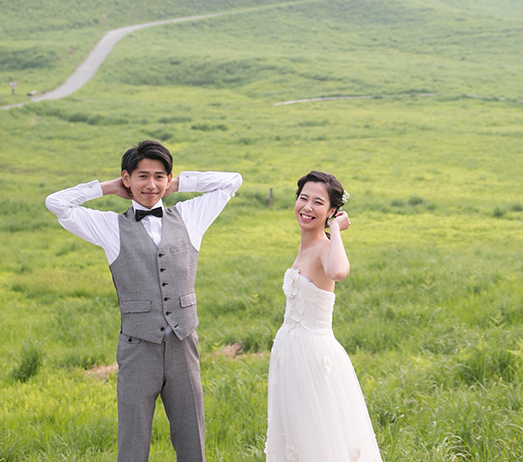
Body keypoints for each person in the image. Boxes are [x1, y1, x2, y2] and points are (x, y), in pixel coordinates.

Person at [45, 139, 242, 462]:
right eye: (142, 176)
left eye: (159, 176)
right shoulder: (110, 227)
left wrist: (173, 185)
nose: (151, 184)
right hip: (138, 347)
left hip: (183, 344)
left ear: (169, 178)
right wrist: (109, 188)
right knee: (133, 442)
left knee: (193, 438)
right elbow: (57, 203)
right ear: (127, 178)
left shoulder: (191, 216)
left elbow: (232, 181)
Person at [265, 170, 383, 462]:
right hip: (289, 351)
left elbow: (338, 272)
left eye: (317, 202)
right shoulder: (305, 246)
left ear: (331, 211)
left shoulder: (325, 248)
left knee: (317, 434)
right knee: (296, 433)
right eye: (303, 198)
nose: (307, 207)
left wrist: (336, 231)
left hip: (313, 354)